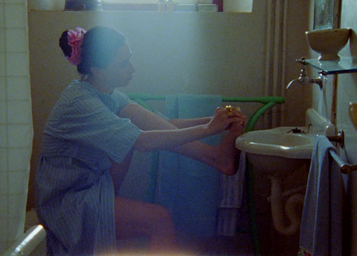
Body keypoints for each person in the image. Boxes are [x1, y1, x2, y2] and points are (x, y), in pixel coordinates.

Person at [36, 26, 247, 256]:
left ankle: (215, 157)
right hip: (66, 202)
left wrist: (217, 120)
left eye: (130, 60)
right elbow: (142, 142)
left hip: (92, 187)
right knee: (160, 219)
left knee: (135, 130)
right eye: (123, 64)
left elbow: (161, 123)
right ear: (97, 69)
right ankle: (214, 157)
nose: (132, 69)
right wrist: (208, 128)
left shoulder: (107, 93)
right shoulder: (80, 102)